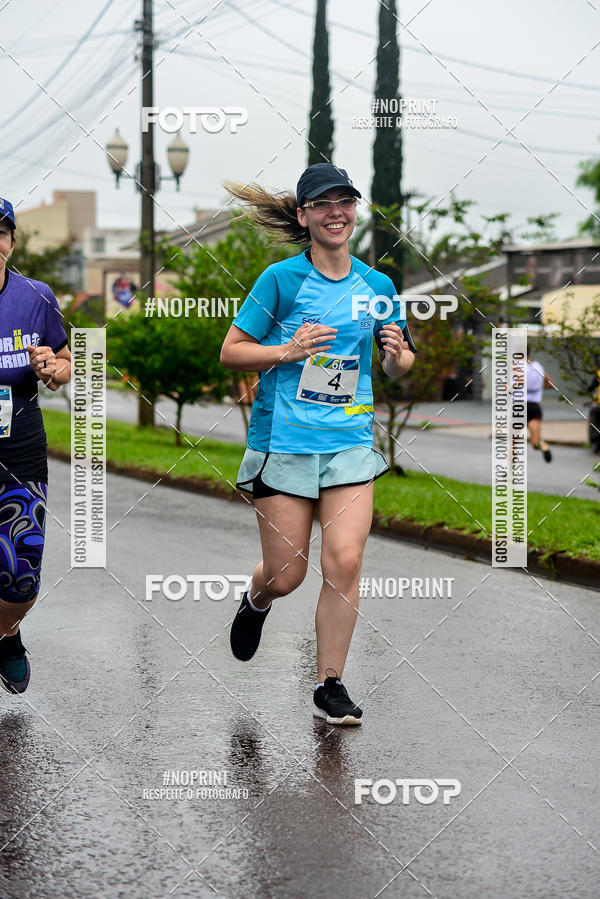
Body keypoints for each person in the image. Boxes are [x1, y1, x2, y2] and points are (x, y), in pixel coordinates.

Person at [220, 163, 416, 725]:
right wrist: (290, 349)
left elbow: (399, 368)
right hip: (283, 442)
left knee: (346, 561)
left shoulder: (378, 286)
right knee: (288, 574)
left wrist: (397, 351)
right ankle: (256, 599)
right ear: (304, 216)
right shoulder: (279, 281)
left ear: (354, 212)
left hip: (351, 441)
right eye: (323, 204)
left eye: (345, 202)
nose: (336, 212)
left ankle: (330, 683)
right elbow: (232, 352)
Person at [0, 198, 72, 693]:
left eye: (0, 233)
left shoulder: (36, 297)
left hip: (19, 439)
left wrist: (53, 369)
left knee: (21, 574)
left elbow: (67, 362)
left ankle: (7, 632)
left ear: (10, 241)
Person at [526, 355, 553, 463]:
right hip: (534, 407)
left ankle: (509, 472)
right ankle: (542, 445)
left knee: (513, 442)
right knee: (535, 442)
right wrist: (537, 388)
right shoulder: (537, 366)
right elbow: (550, 384)